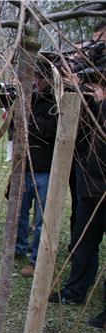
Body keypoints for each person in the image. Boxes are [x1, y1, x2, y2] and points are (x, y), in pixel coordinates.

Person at [48, 77, 104, 311]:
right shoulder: (93, 107)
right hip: (90, 188)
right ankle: (75, 290)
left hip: (100, 186)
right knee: (83, 242)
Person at [16, 64, 58, 277]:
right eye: (35, 77)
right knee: (19, 212)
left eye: (41, 77)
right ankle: (18, 248)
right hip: (24, 165)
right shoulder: (29, 97)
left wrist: (28, 115)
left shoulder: (56, 101)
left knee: (41, 219)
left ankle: (35, 260)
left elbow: (47, 130)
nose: (37, 81)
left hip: (46, 168)